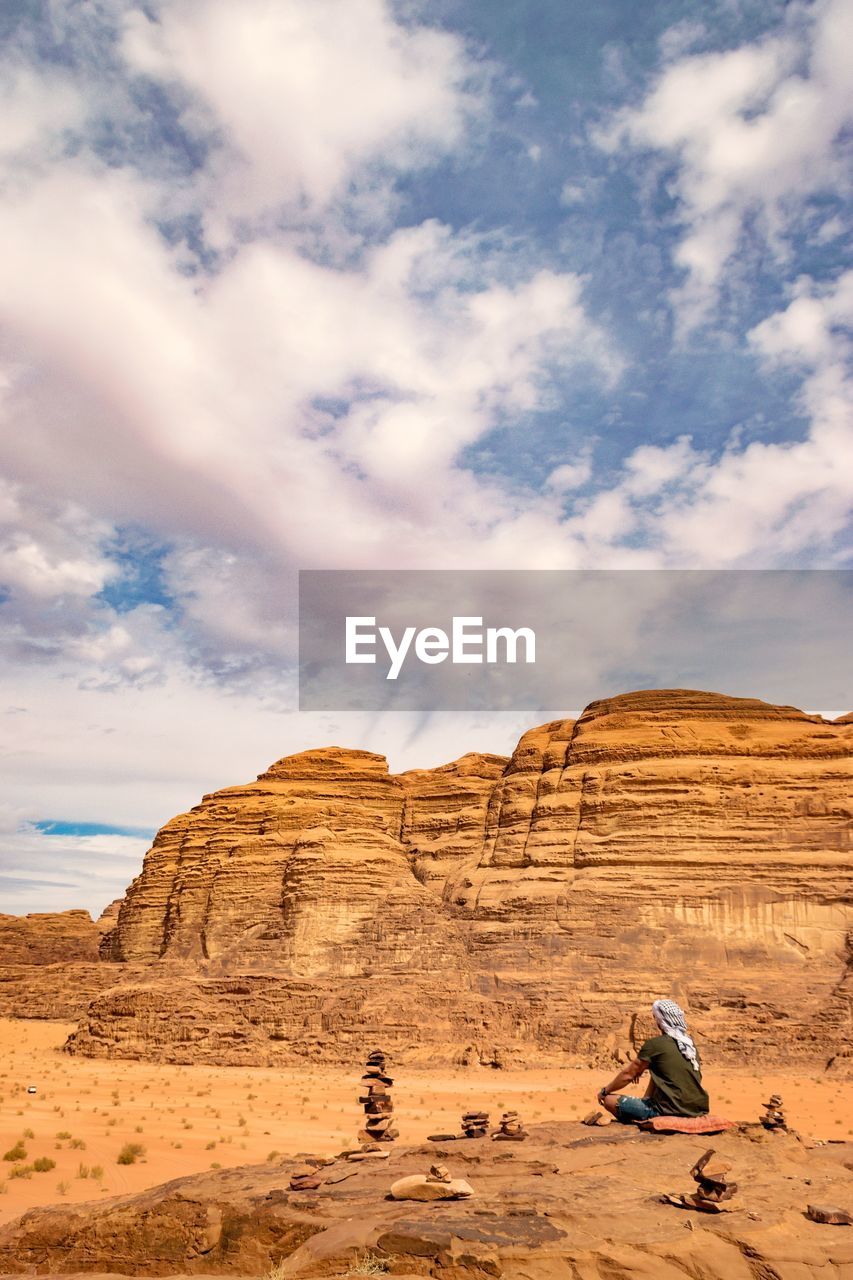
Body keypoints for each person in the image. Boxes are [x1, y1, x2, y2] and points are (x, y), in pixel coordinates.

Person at [595, 998, 710, 1124]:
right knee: (655, 1075)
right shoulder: (690, 1046)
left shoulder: (655, 1045)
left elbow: (627, 1075)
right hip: (697, 1110)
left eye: (655, 1018)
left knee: (609, 1100)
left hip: (667, 1110)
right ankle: (645, 1106)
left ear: (660, 1021)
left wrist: (605, 1091)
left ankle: (642, 1118)